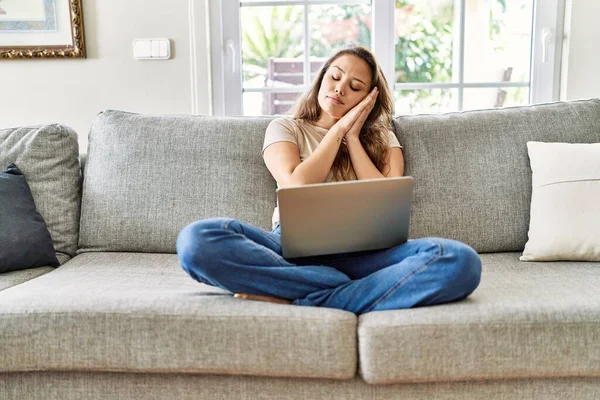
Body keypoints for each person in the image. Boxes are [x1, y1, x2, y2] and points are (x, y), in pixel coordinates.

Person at [176, 46, 481, 314]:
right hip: (290, 249)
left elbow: (384, 198)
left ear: (369, 100)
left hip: (369, 255)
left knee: (458, 259)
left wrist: (353, 137)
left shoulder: (384, 138)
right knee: (197, 240)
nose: (340, 89)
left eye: (355, 86)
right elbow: (297, 186)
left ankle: (304, 298)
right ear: (321, 78)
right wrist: (336, 132)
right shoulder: (286, 128)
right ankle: (345, 288)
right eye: (335, 77)